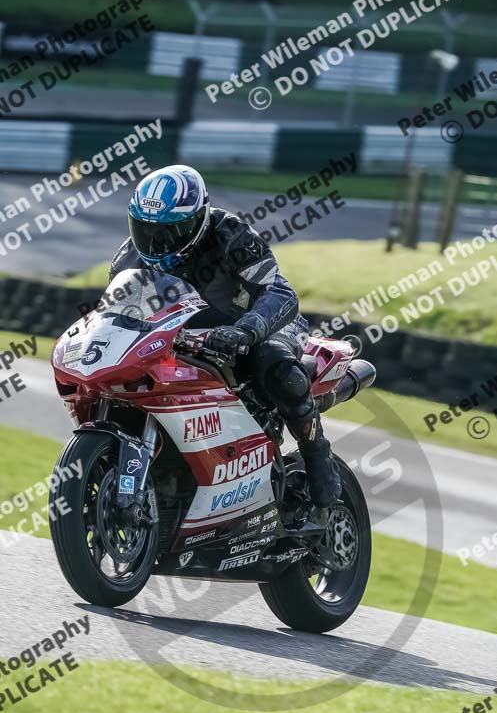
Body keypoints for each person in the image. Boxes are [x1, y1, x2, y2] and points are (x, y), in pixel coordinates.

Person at [109, 164, 341, 508]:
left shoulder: (231, 235)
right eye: (146, 230)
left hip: (262, 325)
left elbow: (280, 293)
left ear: (198, 219)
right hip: (184, 338)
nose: (158, 243)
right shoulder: (127, 259)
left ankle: (317, 452)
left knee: (272, 361)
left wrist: (247, 329)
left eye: (172, 231)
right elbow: (114, 314)